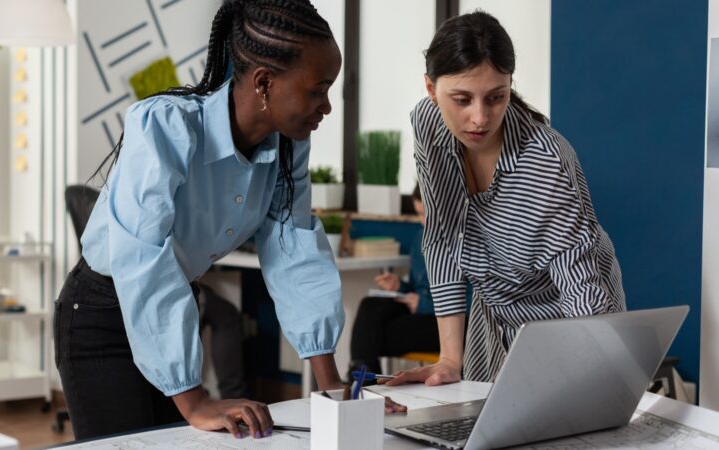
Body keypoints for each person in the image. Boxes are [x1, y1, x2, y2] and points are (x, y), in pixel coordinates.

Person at [54, 0, 350, 440]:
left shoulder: (287, 146)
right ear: (265, 83)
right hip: (103, 318)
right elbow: (144, 259)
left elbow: (294, 249)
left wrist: (333, 392)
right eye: (317, 90)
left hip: (173, 310)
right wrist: (194, 402)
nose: (326, 106)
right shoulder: (166, 127)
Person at [387, 11, 626, 388]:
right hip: (493, 307)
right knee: (482, 425)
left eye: (496, 97)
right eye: (462, 99)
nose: (479, 118)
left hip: (566, 314)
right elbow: (442, 236)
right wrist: (450, 358)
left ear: (510, 85)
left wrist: (601, 368)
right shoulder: (429, 124)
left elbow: (581, 285)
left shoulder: (545, 162)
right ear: (431, 90)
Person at [349, 185, 439, 375]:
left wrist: (422, 305)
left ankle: (363, 381)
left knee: (374, 337)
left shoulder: (466, 242)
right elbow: (418, 287)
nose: (423, 222)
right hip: (421, 311)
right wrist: (400, 285)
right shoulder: (420, 238)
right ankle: (364, 379)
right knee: (370, 305)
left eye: (426, 214)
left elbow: (473, 305)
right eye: (419, 214)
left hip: (448, 321)